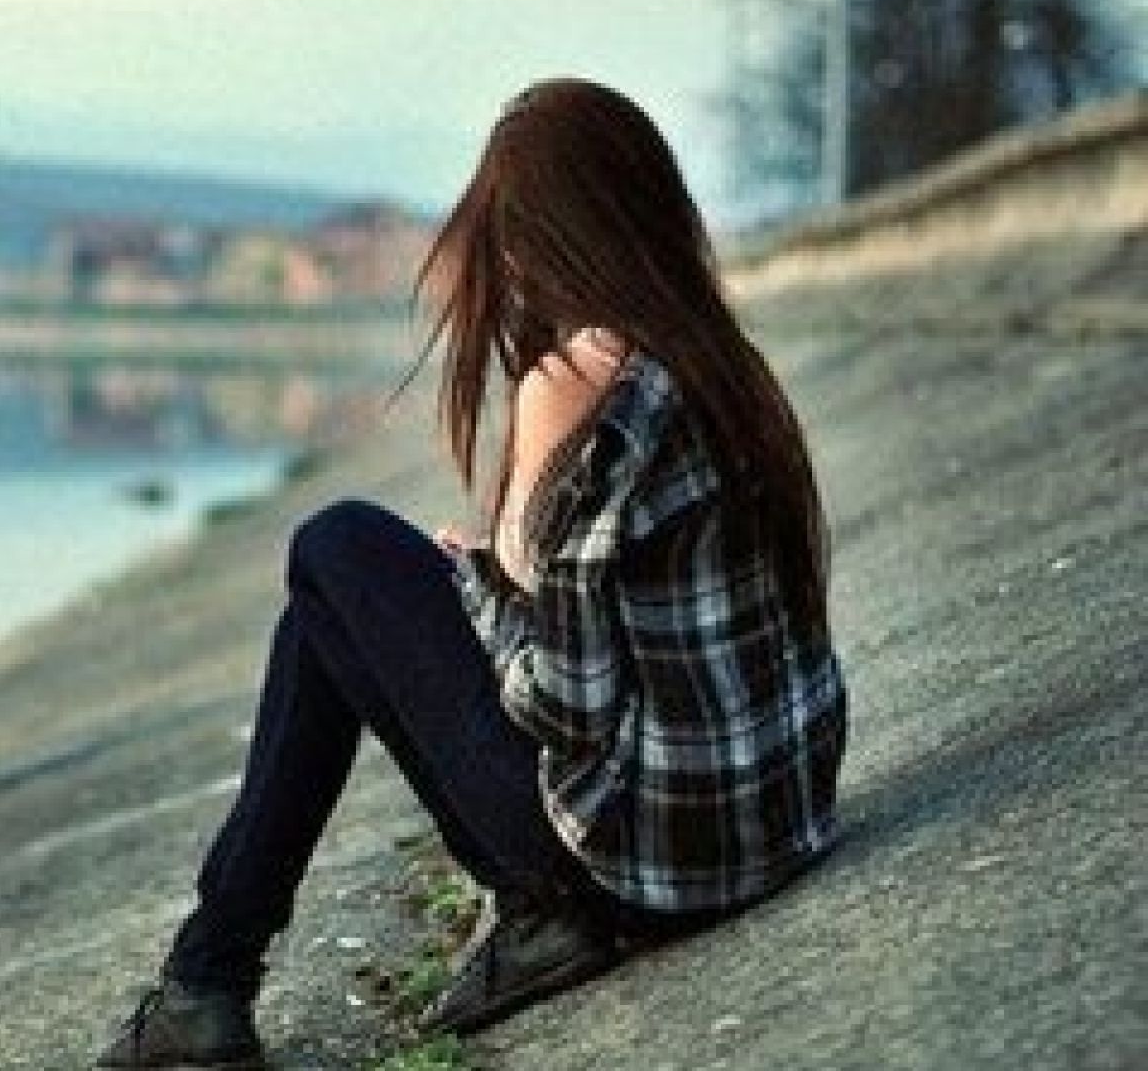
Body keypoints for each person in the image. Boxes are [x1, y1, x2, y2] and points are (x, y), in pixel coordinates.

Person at [95, 78, 849, 1068]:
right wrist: (493, 578)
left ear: (539, 236)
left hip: (650, 865)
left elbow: (565, 704)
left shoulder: (579, 377)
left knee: (334, 545)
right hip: (773, 822)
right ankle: (206, 983)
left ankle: (211, 980)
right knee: (325, 616)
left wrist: (486, 586)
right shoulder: (717, 359)